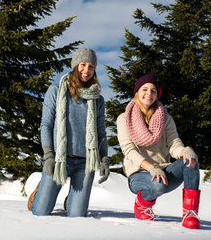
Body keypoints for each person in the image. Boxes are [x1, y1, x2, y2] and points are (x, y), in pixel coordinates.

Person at [28, 48, 109, 217]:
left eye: (91, 66)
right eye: (83, 64)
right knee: (40, 211)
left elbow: (100, 132)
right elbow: (46, 125)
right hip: (59, 158)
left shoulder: (97, 99)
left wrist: (104, 159)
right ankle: (39, 192)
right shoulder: (56, 90)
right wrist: (49, 156)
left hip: (85, 162)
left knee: (77, 215)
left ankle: (71, 200)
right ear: (75, 65)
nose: (86, 70)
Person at [117, 74, 201, 229]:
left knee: (191, 160)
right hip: (139, 173)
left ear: (157, 94)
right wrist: (150, 167)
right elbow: (129, 150)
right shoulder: (124, 118)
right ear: (137, 92)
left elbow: (174, 144)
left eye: (153, 90)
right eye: (145, 89)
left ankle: (190, 213)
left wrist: (184, 152)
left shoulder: (165, 118)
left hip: (163, 171)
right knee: (157, 186)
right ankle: (142, 203)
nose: (149, 93)